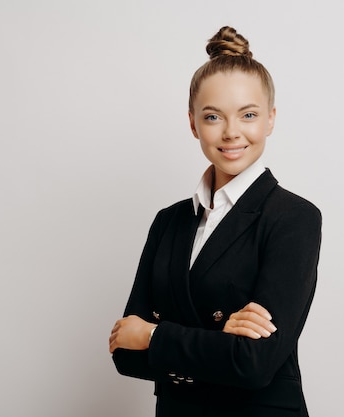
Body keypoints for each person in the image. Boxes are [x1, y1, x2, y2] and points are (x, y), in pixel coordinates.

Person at [108, 26, 322, 417]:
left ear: (270, 119)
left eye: (249, 114)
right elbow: (125, 353)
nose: (231, 132)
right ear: (193, 123)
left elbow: (255, 363)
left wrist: (155, 335)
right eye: (212, 116)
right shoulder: (168, 222)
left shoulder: (294, 218)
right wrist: (218, 339)